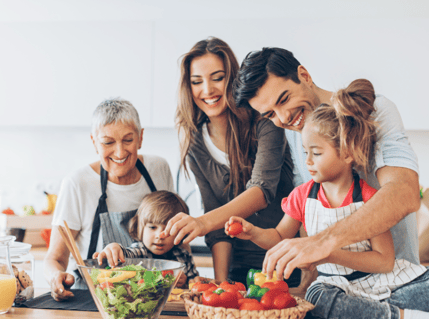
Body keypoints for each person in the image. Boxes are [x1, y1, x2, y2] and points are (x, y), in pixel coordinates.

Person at [227, 79, 429, 319]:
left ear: (347, 153)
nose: (307, 161)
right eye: (305, 151)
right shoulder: (302, 196)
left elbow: (385, 262)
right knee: (319, 297)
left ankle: (357, 314)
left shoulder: (370, 199)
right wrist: (252, 232)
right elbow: (278, 237)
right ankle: (406, 318)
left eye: (316, 153)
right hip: (335, 287)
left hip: (379, 282)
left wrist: (328, 253)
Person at [161, 37, 300, 286]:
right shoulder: (195, 143)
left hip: (286, 263)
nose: (207, 90)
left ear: (233, 80)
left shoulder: (266, 121)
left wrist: (201, 223)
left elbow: (261, 191)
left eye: (217, 78)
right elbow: (216, 226)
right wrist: (222, 285)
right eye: (197, 82)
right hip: (238, 269)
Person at [44, 98, 175, 301]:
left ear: (140, 138)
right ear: (94, 142)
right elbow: (55, 258)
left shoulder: (158, 169)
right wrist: (55, 277)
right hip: (92, 300)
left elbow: (177, 236)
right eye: (108, 142)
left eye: (128, 140)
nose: (120, 152)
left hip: (151, 298)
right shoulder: (77, 183)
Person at [93, 191, 199, 288]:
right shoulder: (139, 251)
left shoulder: (184, 256)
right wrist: (115, 248)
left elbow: (194, 284)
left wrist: (186, 282)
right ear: (140, 229)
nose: (160, 236)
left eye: (168, 230)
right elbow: (126, 254)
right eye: (152, 227)